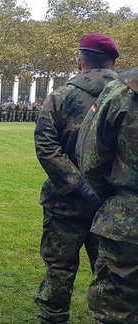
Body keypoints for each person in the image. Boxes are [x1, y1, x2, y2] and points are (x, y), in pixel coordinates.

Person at [33, 32, 119, 324]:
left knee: (59, 269)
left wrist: (77, 185)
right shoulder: (128, 98)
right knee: (111, 273)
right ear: (112, 61)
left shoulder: (60, 96)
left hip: (65, 202)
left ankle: (53, 318)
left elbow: (46, 146)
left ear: (79, 60)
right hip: (114, 206)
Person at [75, 68, 138, 323]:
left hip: (128, 217)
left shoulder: (123, 90)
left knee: (117, 312)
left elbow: (90, 159)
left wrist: (117, 202)